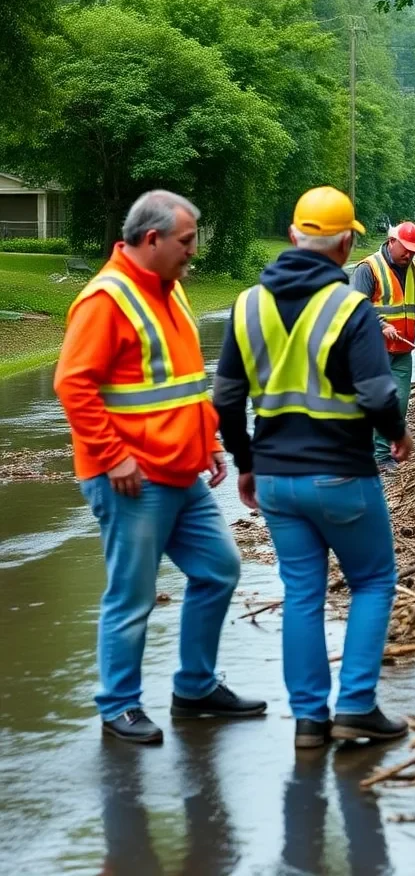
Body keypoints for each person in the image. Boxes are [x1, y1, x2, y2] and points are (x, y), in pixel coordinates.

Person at [54, 189, 265, 746]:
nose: (193, 251)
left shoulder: (170, 292)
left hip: (182, 470)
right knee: (132, 594)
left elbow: (183, 382)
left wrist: (210, 443)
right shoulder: (108, 298)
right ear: (152, 239)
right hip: (131, 477)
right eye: (187, 241)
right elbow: (72, 384)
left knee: (219, 570)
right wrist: (112, 455)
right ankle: (118, 705)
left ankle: (194, 688)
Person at [214, 186, 413, 750]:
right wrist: (398, 434)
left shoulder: (248, 303)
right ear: (348, 244)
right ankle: (355, 707)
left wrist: (246, 463)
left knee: (302, 593)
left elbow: (227, 399)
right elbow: (377, 393)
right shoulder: (350, 307)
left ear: (294, 236)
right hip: (342, 477)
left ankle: (308, 721)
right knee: (373, 581)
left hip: (276, 481)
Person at [351, 221, 415, 472]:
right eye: (405, 249)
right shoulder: (368, 268)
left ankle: (382, 452)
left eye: (413, 251)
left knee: (399, 403)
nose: (408, 255)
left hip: (402, 351)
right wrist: (380, 324)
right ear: (391, 242)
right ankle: (378, 456)